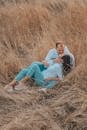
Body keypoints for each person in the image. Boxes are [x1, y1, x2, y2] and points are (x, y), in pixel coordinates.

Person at [5, 55, 71, 92]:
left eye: (60, 57)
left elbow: (61, 78)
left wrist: (51, 78)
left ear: (63, 60)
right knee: (24, 70)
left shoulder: (58, 67)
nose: (58, 57)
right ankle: (11, 84)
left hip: (42, 80)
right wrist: (51, 62)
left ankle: (22, 82)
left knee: (35, 66)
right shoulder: (56, 63)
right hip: (40, 76)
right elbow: (46, 64)